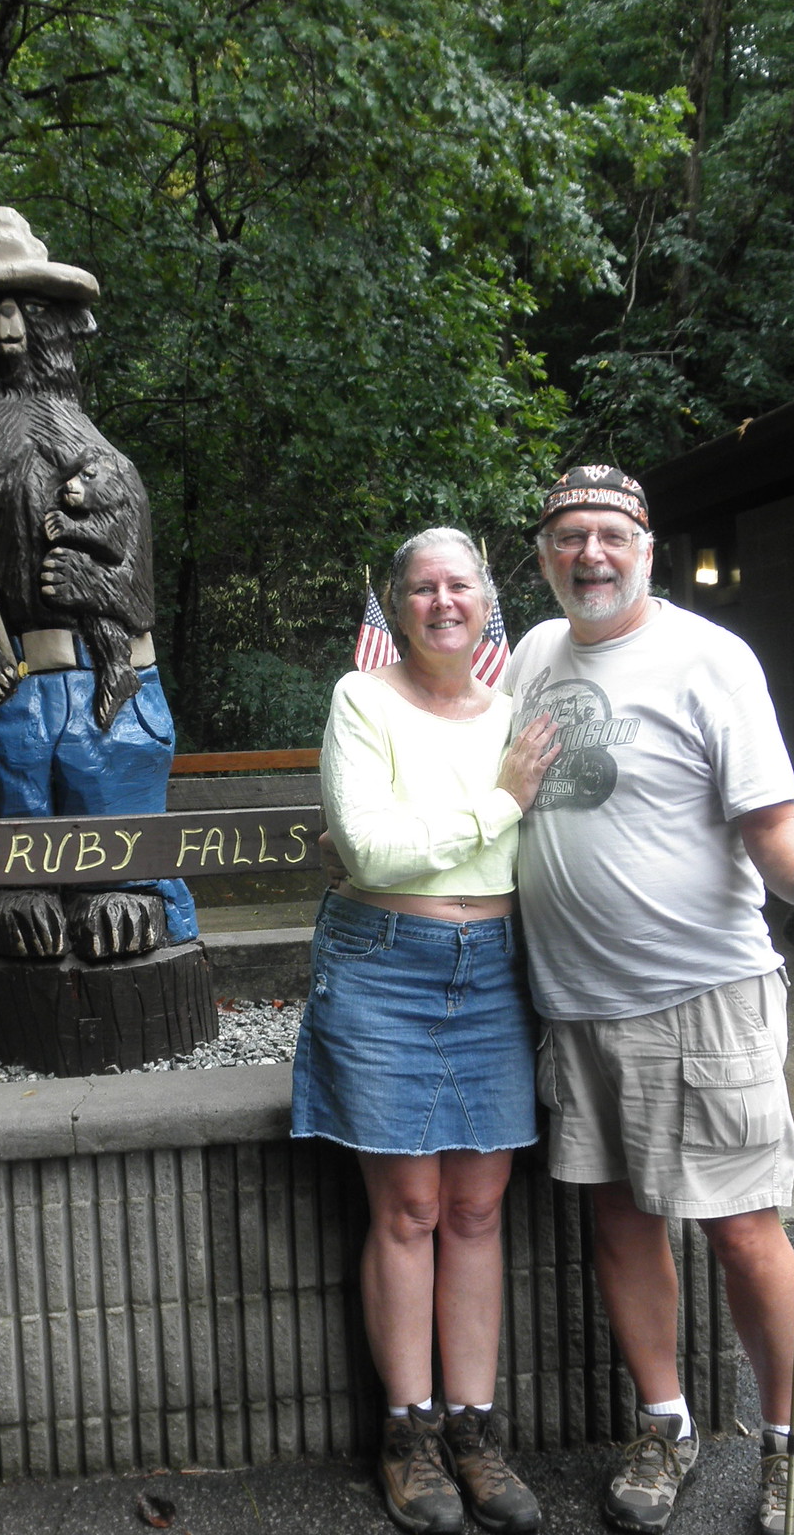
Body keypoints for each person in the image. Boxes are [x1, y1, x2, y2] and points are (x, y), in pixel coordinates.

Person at [503, 466, 794, 1535]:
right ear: (543, 556)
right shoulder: (530, 653)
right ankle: (662, 1425)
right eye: (567, 536)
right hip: (574, 1002)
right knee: (620, 1219)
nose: (589, 554)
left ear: (647, 547)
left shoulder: (709, 657)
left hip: (699, 991)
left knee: (743, 1230)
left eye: (610, 533)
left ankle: (791, 1445)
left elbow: (770, 816)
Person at [292, 527, 562, 1535]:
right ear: (395, 606)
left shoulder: (519, 715)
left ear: (489, 604)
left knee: (478, 1207)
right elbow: (369, 848)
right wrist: (498, 803)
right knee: (406, 1204)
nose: (442, 602)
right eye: (421, 588)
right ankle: (406, 1437)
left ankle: (476, 1431)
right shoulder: (361, 700)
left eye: (460, 586)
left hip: (495, 970)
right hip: (381, 966)